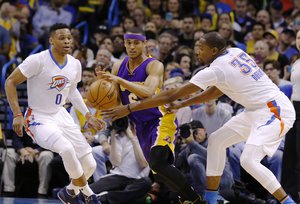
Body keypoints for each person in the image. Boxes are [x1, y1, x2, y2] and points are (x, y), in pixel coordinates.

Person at [102, 32, 296, 204]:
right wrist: (182, 105)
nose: (197, 52)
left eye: (200, 48)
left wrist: (129, 107)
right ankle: (211, 198)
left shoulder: (216, 69)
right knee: (217, 140)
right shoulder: (236, 52)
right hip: (255, 110)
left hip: (275, 110)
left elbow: (170, 95)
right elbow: (216, 91)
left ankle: (287, 201)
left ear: (213, 50)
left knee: (248, 160)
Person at [97, 27, 205, 203]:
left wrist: (120, 80)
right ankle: (185, 198)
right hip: (140, 124)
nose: (132, 47)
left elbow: (147, 91)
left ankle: (196, 200)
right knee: (159, 171)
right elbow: (117, 101)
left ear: (144, 43)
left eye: (136, 43)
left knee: (157, 161)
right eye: (128, 43)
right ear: (124, 43)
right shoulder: (118, 67)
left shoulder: (154, 65)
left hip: (160, 118)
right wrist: (99, 100)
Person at [5, 23, 104, 204]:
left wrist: (88, 115)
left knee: (90, 164)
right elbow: (10, 82)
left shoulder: (74, 64)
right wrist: (17, 114)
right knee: (66, 149)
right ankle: (90, 195)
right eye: (61, 38)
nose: (67, 41)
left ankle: (69, 192)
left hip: (60, 115)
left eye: (69, 38)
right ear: (51, 40)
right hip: (39, 117)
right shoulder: (37, 60)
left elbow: (72, 90)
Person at [90, 117, 152, 204]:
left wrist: (133, 139)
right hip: (117, 177)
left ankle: (104, 198)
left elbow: (143, 164)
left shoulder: (146, 138)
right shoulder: (119, 137)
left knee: (146, 183)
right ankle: (105, 198)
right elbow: (115, 162)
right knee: (87, 191)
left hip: (137, 180)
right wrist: (113, 135)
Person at [281, 30, 300, 202]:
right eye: (299, 38)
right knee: (289, 156)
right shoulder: (296, 63)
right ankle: (289, 196)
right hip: (294, 110)